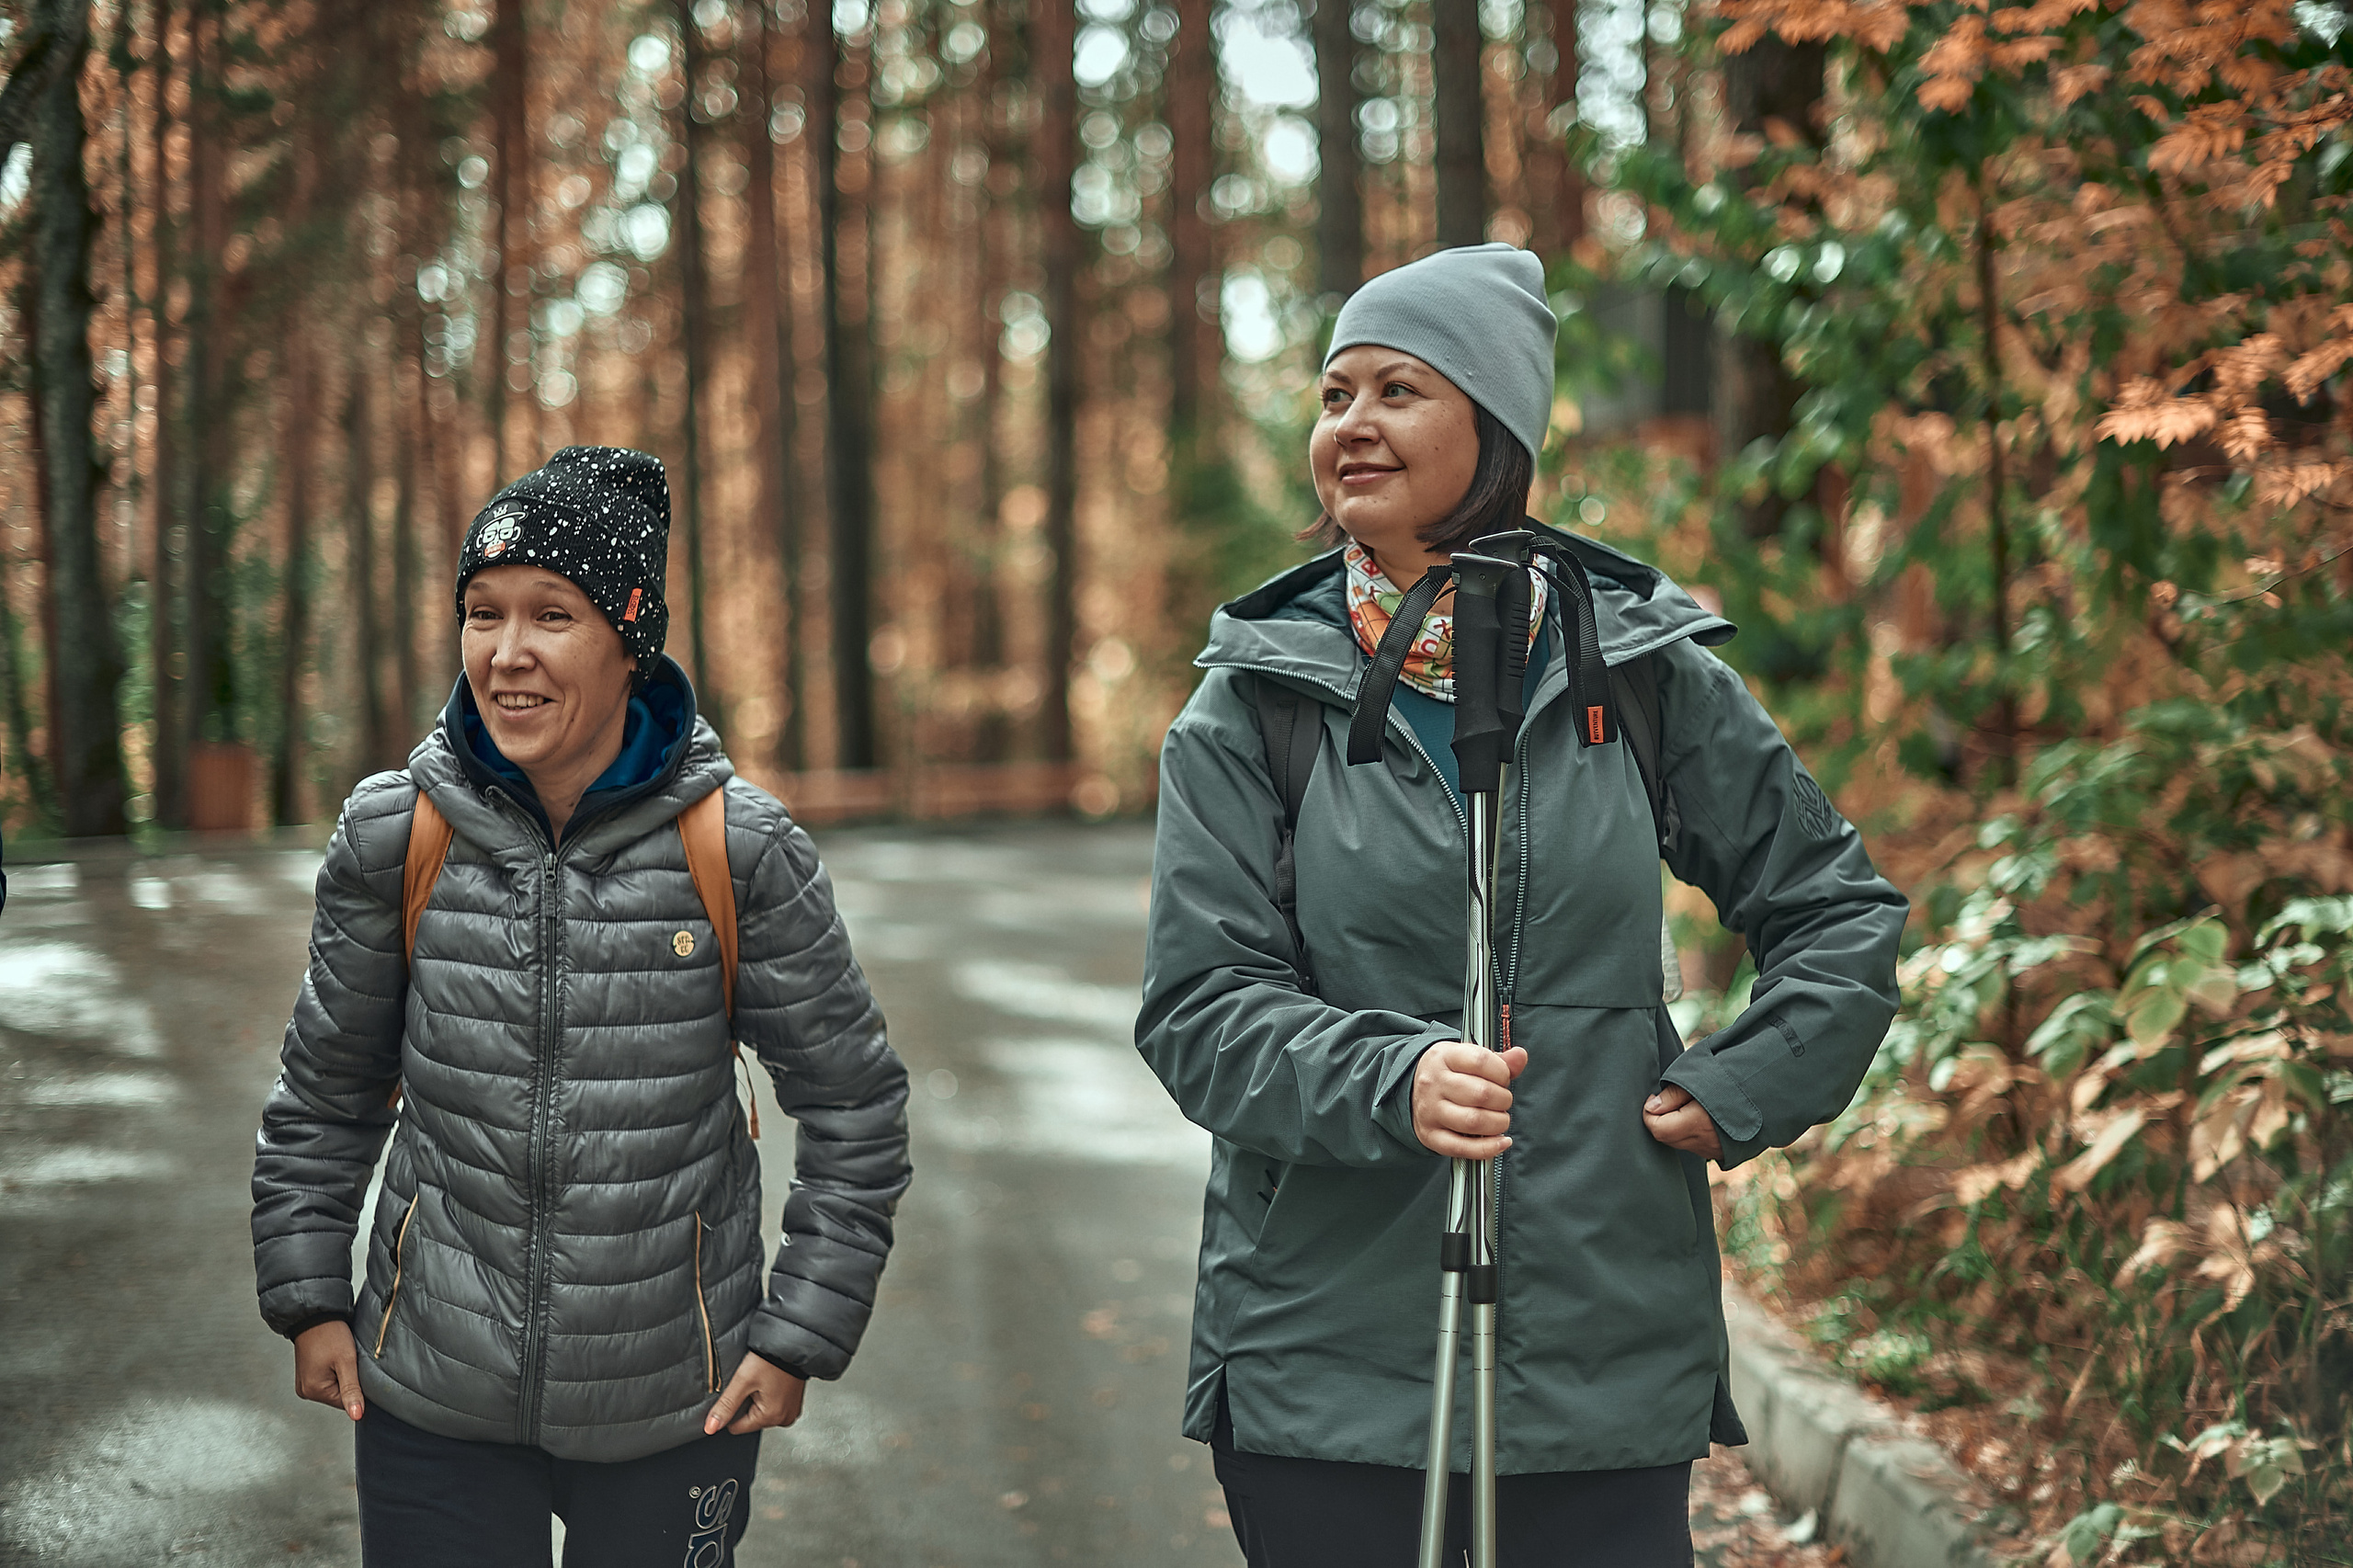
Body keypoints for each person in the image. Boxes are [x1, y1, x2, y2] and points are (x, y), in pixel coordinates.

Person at [1136, 244, 1908, 1567]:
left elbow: (1835, 906)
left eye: (1399, 389)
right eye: (1334, 395)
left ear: (1493, 425)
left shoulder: (1640, 673)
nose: (1353, 425)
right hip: (1329, 1360)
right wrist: (1395, 1076)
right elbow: (1200, 1011)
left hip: (1600, 1350)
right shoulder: (1253, 703)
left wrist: (1749, 1079)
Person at [252, 446, 911, 1567]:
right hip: (431, 1398)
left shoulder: (738, 849)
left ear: (629, 637)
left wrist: (801, 1334)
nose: (506, 654)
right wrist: (309, 1292)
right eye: (481, 613)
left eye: (551, 614)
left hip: (674, 1408)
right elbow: (326, 1089)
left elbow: (856, 1110)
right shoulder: (397, 835)